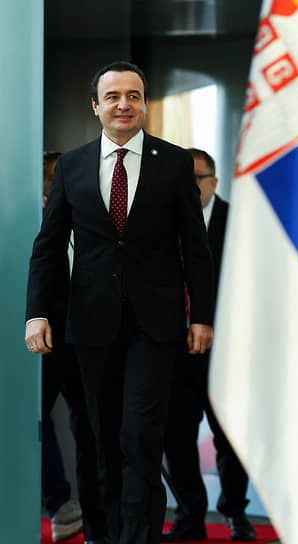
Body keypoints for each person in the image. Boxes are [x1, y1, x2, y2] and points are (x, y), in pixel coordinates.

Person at [25, 61, 214, 544]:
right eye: (113, 96)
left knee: (140, 435)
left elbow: (195, 246)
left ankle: (138, 537)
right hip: (91, 323)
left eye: (133, 95)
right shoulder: (72, 165)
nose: (123, 104)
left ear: (144, 104)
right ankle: (106, 534)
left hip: (155, 325)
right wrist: (37, 313)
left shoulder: (174, 163)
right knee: (102, 437)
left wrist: (201, 316)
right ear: (96, 106)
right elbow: (49, 246)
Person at [161, 149, 256, 542]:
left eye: (195, 179)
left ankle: (234, 511)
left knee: (231, 436)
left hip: (227, 350)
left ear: (214, 182)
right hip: (174, 348)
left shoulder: (240, 223)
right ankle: (190, 514)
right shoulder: (161, 222)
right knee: (175, 437)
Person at [40, 151, 108, 543]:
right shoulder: (27, 217)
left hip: (87, 340)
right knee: (32, 422)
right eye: (56, 177)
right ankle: (59, 504)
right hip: (42, 341)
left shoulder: (92, 215)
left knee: (90, 429)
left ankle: (96, 524)